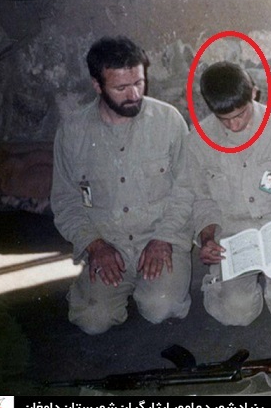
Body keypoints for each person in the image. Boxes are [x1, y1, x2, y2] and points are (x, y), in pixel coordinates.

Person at [50, 36, 192, 335]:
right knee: (92, 320)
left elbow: (188, 189)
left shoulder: (169, 120)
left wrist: (164, 238)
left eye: (139, 83)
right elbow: (65, 202)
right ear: (97, 85)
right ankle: (108, 289)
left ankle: (163, 282)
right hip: (108, 243)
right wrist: (95, 245)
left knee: (160, 308)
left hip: (160, 236)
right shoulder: (73, 131)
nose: (134, 94)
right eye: (121, 88)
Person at [183, 62, 271, 326]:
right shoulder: (198, 140)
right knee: (237, 313)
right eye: (224, 119)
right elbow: (202, 199)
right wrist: (207, 238)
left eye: (240, 114)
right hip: (234, 233)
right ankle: (219, 281)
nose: (234, 125)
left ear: (254, 93)